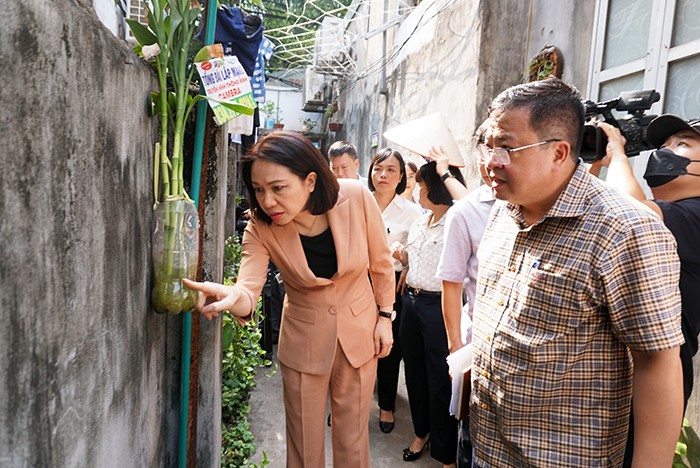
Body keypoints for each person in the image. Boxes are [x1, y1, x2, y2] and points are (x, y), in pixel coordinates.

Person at [471, 77, 684, 467]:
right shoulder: (504, 211)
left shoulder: (624, 230)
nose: (490, 162)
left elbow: (657, 361)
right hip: (488, 447)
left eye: (506, 147)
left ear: (558, 152)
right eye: (487, 145)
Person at [183, 131, 395, 468]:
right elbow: (247, 288)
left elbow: (381, 263)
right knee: (303, 445)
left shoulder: (355, 196)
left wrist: (385, 316)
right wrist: (231, 295)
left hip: (359, 331)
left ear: (310, 181)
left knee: (352, 439)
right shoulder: (260, 227)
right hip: (304, 340)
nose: (267, 201)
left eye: (278, 188)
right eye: (259, 190)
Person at [593, 116, 700, 465]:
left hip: (655, 368)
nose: (666, 152)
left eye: (682, 143)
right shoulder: (674, 212)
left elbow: (630, 212)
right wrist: (593, 165)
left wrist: (620, 156)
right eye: (665, 144)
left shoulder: (694, 214)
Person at [391, 161, 465, 466]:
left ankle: (446, 451)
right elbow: (416, 256)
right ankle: (421, 433)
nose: (417, 190)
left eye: (421, 185)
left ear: (434, 188)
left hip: (439, 308)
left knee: (441, 381)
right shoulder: (422, 221)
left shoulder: (456, 220)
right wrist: (403, 255)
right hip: (411, 303)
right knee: (416, 375)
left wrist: (444, 170)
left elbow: (471, 203)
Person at [436, 135, 496, 468]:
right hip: (478, 350)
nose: (494, 158)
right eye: (487, 147)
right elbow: (452, 283)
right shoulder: (468, 211)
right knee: (473, 443)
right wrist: (456, 348)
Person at [368, 148, 423, 433]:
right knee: (353, 347)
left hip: (393, 286)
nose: (384, 175)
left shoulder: (412, 212)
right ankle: (349, 404)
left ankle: (386, 406)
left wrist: (407, 261)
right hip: (358, 284)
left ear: (401, 176)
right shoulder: (357, 203)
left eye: (391, 170)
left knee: (388, 349)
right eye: (379, 168)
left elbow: (420, 253)